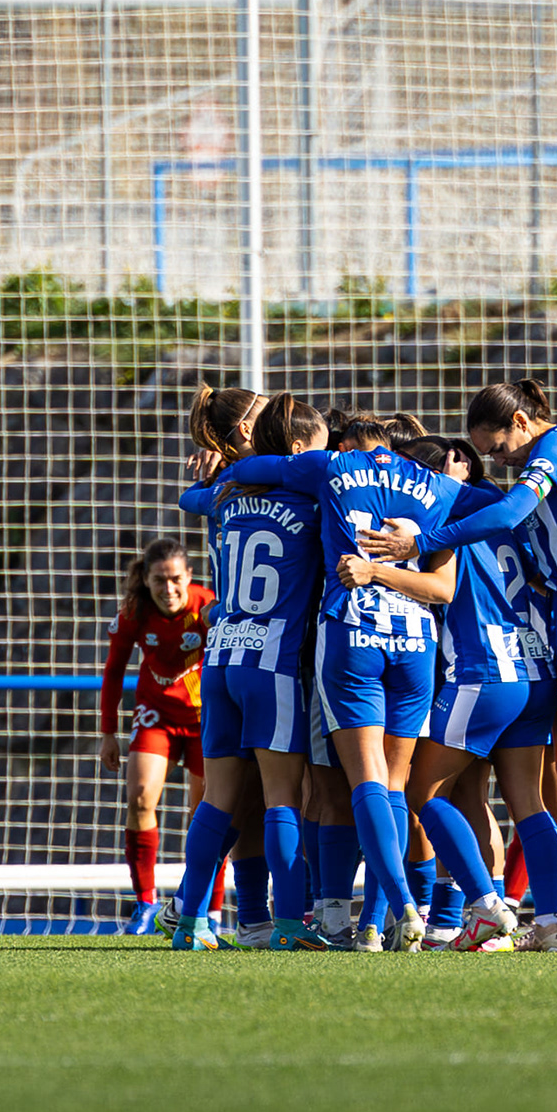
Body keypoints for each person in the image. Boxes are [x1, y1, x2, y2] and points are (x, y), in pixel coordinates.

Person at [358, 379, 557, 953]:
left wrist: (421, 539)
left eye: (498, 446)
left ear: (522, 422)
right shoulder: (521, 479)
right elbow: (506, 513)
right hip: (556, 631)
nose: (499, 459)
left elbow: (506, 516)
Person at [226, 412, 467, 951]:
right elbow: (489, 524)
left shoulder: (334, 466)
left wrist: (217, 478)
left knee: (350, 785)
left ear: (355, 442)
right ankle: (379, 924)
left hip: (350, 633)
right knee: (395, 786)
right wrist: (432, 526)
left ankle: (390, 902)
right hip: (416, 644)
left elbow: (259, 468)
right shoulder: (436, 487)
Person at [382, 436, 557, 953]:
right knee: (526, 803)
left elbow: (441, 588)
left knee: (421, 792)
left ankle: (486, 906)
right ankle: (548, 924)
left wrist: (379, 570)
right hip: (535, 668)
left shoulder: (442, 517)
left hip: (482, 673)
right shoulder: (501, 507)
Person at [172, 394, 334, 951]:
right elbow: (325, 467)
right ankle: (290, 923)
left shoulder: (226, 497)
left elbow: (188, 498)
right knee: (282, 799)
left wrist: (227, 473)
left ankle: (192, 921)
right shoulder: (310, 495)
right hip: (273, 662)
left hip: (220, 659)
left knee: (217, 800)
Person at [99, 539, 214, 935]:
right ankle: (145, 904)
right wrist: (108, 733)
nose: (169, 589)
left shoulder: (207, 606)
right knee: (140, 798)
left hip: (204, 718)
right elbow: (114, 671)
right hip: (156, 715)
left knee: (207, 817)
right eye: (159, 580)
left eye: (176, 579)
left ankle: (207, 912)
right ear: (146, 581)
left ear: (189, 577)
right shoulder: (135, 612)